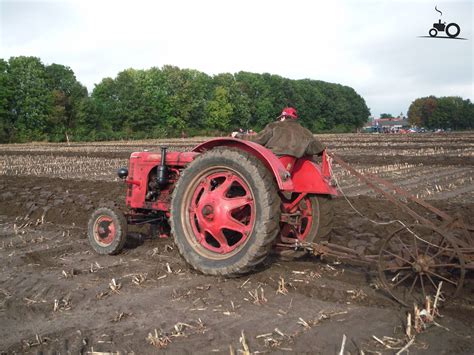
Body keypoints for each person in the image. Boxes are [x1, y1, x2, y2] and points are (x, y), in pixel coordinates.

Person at [231, 107, 325, 158]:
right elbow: (315, 147)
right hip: (289, 166)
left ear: (283, 117)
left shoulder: (275, 126)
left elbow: (257, 140)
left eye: (280, 118)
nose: (280, 120)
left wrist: (238, 135)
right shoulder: (305, 131)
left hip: (272, 161)